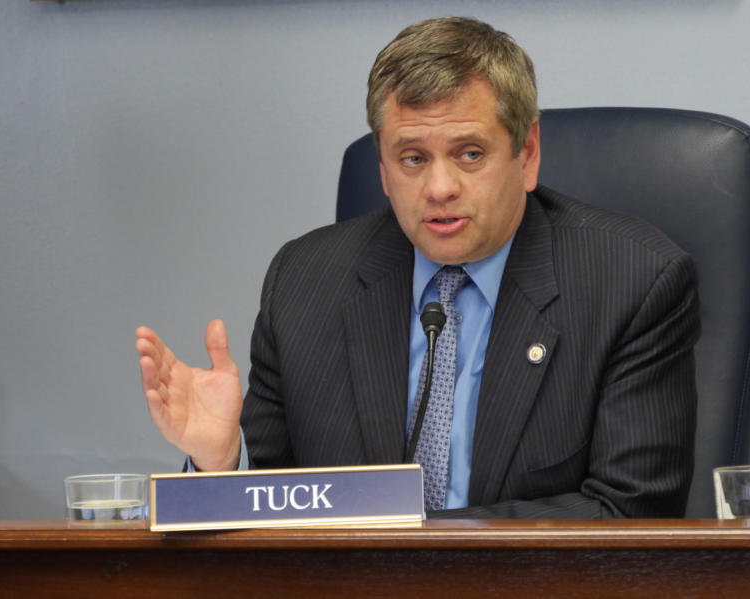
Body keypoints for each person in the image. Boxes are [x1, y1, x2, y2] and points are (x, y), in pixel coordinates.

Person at [136, 17, 699, 519]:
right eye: (412, 158)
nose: (439, 188)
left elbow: (630, 511)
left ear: (526, 155)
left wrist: (417, 543)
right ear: (382, 169)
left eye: (470, 154)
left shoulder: (633, 281)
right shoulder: (304, 282)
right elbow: (277, 519)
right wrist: (220, 466)